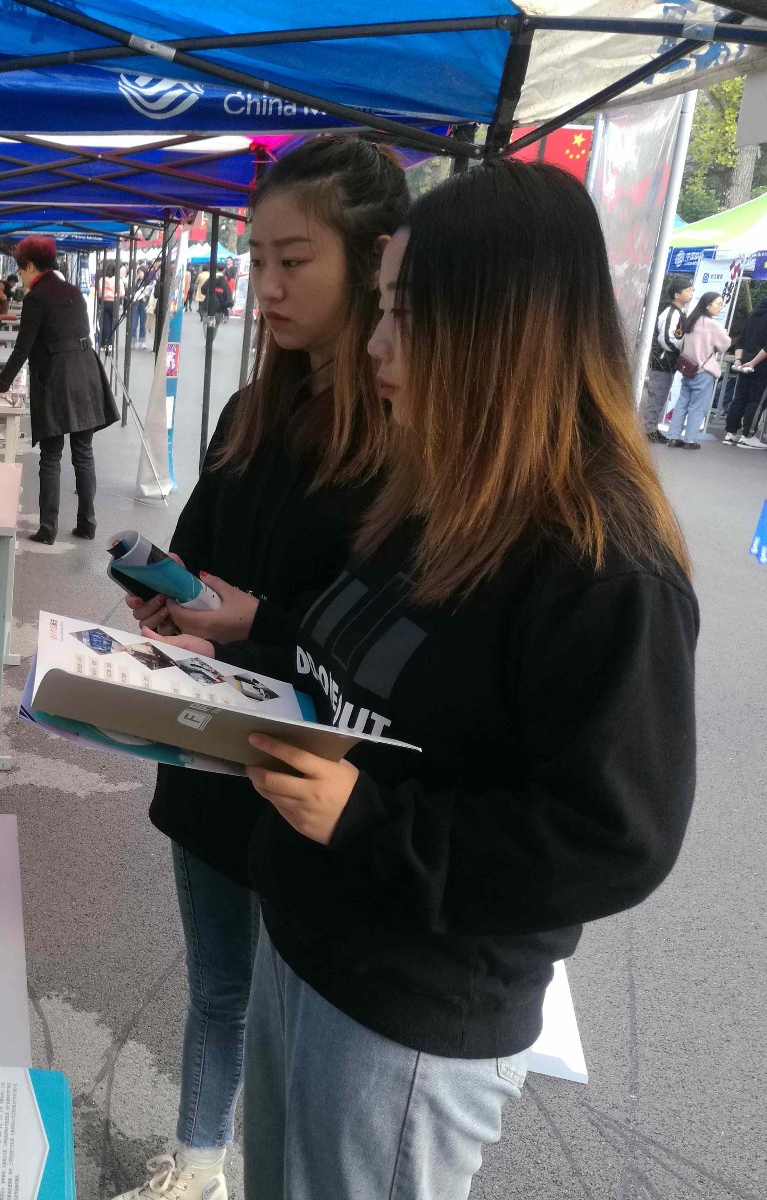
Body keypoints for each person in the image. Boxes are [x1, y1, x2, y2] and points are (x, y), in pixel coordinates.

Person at [164, 161, 697, 1199]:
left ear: (499, 329)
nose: (375, 345)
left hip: (408, 1006)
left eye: (403, 315)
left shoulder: (602, 566)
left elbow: (611, 838)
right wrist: (226, 665)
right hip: (306, 940)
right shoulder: (439, 492)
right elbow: (344, 672)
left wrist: (366, 820)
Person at [112, 135, 408, 1200]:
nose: (268, 288)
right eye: (258, 260)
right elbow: (202, 559)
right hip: (205, 747)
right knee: (220, 989)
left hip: (314, 777)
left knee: (301, 1019)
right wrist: (170, 598)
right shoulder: (250, 412)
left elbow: (384, 646)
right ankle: (199, 1164)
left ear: (372, 262)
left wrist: (254, 623)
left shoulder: (405, 435)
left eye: (295, 261)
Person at [0, 234, 119, 544]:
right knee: (83, 453)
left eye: (21, 270)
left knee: (51, 455)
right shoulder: (74, 292)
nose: (21, 277)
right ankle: (87, 523)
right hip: (86, 374)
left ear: (30, 266)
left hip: (56, 378)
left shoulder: (37, 298)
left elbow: (23, 348)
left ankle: (48, 529)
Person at [669, 290, 729, 448]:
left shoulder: (691, 321)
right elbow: (725, 345)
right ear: (708, 305)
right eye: (718, 304)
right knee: (697, 407)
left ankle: (674, 437)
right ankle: (690, 440)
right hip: (704, 371)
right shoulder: (713, 325)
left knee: (682, 403)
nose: (720, 307)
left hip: (688, 369)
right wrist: (724, 334)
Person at [642, 279, 693, 442]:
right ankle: (648, 430)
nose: (691, 293)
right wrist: (683, 347)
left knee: (660, 396)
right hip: (662, 361)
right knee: (657, 396)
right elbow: (666, 339)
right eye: (688, 290)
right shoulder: (671, 313)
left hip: (668, 361)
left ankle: (651, 428)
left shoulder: (680, 312)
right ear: (677, 295)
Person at [723, 289, 767, 446]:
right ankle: (748, 435)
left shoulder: (753, 314)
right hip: (762, 367)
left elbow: (740, 340)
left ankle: (731, 432)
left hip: (744, 364)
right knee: (756, 401)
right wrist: (754, 362)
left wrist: (738, 360)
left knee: (739, 398)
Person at [96, 262, 119, 351]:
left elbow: (99, 293)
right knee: (113, 323)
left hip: (104, 302)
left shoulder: (102, 280)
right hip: (114, 302)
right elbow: (122, 292)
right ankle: (110, 344)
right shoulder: (117, 280)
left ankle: (105, 343)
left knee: (105, 323)